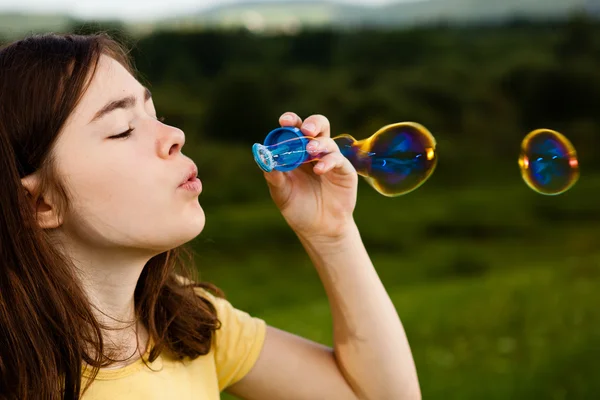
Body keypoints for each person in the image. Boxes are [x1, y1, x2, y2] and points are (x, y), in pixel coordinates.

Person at [0, 32, 420, 400]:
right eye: (124, 128)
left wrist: (331, 233)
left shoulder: (185, 323)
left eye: (155, 114)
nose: (174, 135)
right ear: (39, 204)